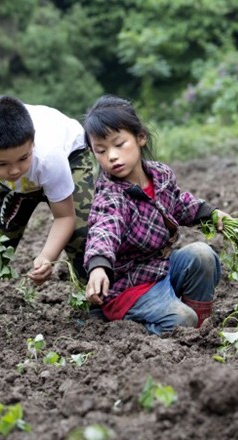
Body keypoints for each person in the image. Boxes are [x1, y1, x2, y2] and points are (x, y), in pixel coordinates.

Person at [0, 95, 94, 328]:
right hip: (17, 183)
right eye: (1, 164)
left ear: (32, 142)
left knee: (81, 233)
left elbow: (65, 216)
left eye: (22, 159)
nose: (14, 169)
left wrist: (47, 257)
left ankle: (95, 303)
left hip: (70, 158)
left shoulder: (50, 156)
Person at [82, 95, 226, 336]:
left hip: (160, 269)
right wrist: (98, 267)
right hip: (129, 287)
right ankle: (144, 326)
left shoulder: (161, 175)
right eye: (101, 150)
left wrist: (210, 214)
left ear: (140, 137)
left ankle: (201, 328)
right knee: (181, 320)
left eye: (119, 144)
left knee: (202, 254)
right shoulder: (111, 195)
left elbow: (179, 204)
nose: (112, 156)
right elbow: (104, 228)